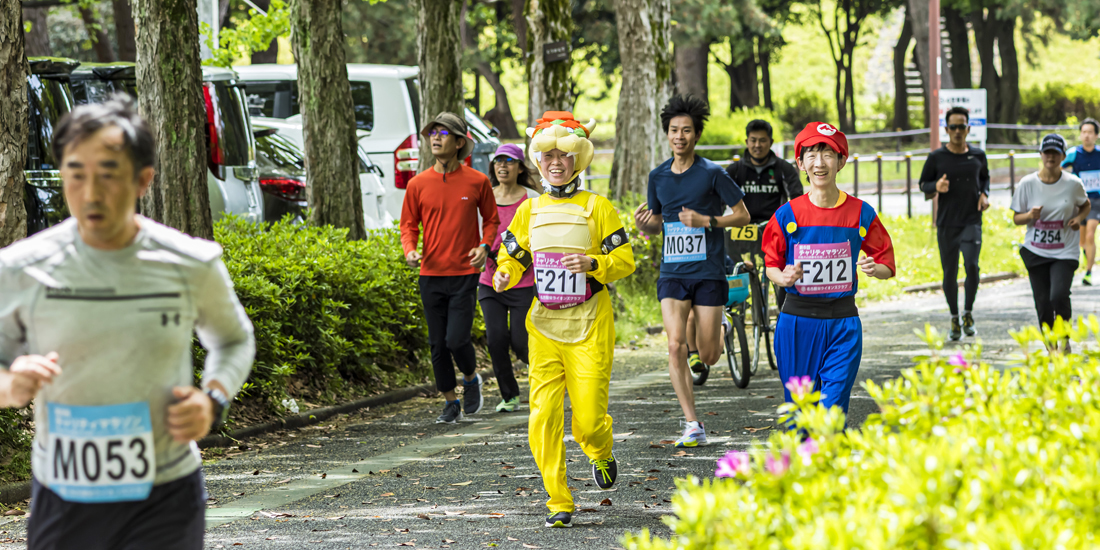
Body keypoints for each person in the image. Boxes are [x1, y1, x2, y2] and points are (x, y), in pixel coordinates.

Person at [0, 96, 255, 550]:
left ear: (143, 180)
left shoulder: (189, 262)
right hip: (63, 492)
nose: (91, 192)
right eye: (76, 173)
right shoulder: (21, 268)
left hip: (165, 492)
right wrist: (11, 386)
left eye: (108, 174)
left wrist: (212, 399)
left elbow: (233, 340)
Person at [493, 111, 635, 528]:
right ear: (537, 160)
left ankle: (600, 449)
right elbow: (513, 257)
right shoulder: (529, 210)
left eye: (564, 154)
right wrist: (505, 273)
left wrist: (592, 261)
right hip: (544, 327)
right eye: (548, 154)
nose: (556, 162)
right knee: (542, 417)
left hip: (590, 321)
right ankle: (559, 499)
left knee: (588, 420)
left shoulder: (597, 206)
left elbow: (624, 260)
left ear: (578, 159)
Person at [633, 95, 749, 448]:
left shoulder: (713, 173)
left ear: (696, 135)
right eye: (673, 130)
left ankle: (722, 327)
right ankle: (692, 423)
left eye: (686, 130)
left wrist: (707, 221)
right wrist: (644, 225)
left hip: (709, 273)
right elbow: (658, 225)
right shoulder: (658, 176)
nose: (679, 136)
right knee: (674, 345)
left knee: (709, 355)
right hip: (673, 273)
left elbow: (742, 215)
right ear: (667, 134)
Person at [762, 122, 895, 417]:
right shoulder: (786, 215)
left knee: (831, 410)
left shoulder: (861, 213)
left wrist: (876, 268)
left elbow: (886, 262)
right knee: (801, 415)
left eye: (828, 154)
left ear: (842, 161)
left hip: (843, 323)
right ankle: (807, 462)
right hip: (797, 323)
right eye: (811, 154)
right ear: (800, 163)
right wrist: (782, 277)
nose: (819, 162)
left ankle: (829, 459)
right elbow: (771, 264)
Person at [401, 112, 500, 424]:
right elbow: (408, 225)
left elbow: (492, 220)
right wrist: (410, 250)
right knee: (437, 343)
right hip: (430, 274)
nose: (435, 137)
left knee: (456, 339)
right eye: (432, 132)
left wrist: (484, 247)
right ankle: (449, 401)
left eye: (443, 133)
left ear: (459, 143)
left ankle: (471, 378)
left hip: (464, 274)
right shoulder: (418, 184)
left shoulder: (478, 181)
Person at [918, 106, 991, 341]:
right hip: (948, 223)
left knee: (972, 267)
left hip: (972, 220)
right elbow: (923, 184)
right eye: (953, 127)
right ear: (946, 129)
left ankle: (968, 312)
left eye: (962, 126)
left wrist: (984, 194)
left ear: (968, 129)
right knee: (950, 273)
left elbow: (985, 178)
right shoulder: (937, 158)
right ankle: (954, 317)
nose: (957, 131)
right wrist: (935, 187)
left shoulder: (978, 155)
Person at [479, 144, 540, 413]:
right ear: (493, 167)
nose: (503, 166)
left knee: (520, 340)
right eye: (498, 162)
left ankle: (546, 378)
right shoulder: (485, 196)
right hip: (489, 280)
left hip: (524, 281)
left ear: (520, 167)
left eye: (509, 162)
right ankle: (509, 395)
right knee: (495, 339)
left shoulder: (532, 199)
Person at [1012, 134, 1090, 332]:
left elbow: (1086, 205)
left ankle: (1063, 341)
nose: (1051, 157)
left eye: (1055, 153)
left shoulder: (1073, 184)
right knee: (1043, 303)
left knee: (1059, 296)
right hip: (1036, 251)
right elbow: (1016, 218)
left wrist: (1078, 219)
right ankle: (1050, 346)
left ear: (1063, 156)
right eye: (1047, 152)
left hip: (1064, 251)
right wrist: (1030, 215)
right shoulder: (1027, 184)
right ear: (1040, 154)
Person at [726, 118, 804, 315]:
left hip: (774, 233)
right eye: (753, 140)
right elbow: (718, 201)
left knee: (784, 271)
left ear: (770, 142)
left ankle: (784, 311)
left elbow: (797, 201)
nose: (757, 145)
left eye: (762, 140)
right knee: (730, 264)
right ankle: (735, 306)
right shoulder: (734, 170)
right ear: (746, 142)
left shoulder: (784, 169)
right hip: (740, 233)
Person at [1060, 118, 1100, 285]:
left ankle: (1089, 272)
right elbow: (1057, 168)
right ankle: (1089, 260)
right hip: (1079, 202)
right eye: (1084, 132)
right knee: (1082, 240)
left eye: (1090, 132)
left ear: (1096, 135)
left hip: (1097, 201)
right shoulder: (1073, 153)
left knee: (1090, 233)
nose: (1086, 136)